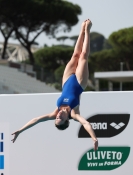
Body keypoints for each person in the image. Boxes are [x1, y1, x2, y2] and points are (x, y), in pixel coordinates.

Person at [11, 19, 98, 150]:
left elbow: (36, 120)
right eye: (60, 118)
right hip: (80, 83)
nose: (57, 116)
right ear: (66, 120)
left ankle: (81, 30)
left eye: (56, 118)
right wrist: (94, 138)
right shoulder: (74, 114)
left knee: (75, 56)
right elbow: (85, 123)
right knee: (83, 56)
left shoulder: (55, 111)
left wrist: (20, 130)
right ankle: (87, 30)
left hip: (66, 81)